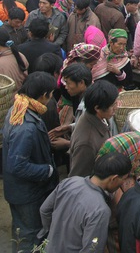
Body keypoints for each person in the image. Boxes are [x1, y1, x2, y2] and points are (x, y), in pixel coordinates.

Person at [2, 72, 58, 252]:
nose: (51, 98)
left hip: (19, 190)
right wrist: (47, 170)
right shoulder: (26, 127)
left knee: (22, 230)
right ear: (44, 95)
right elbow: (17, 165)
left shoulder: (19, 107)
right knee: (30, 234)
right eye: (51, 94)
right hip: (27, 193)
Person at [39, 152, 132, 253]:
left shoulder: (69, 182)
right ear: (114, 178)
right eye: (124, 179)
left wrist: (55, 232)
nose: (123, 183)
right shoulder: (100, 210)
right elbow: (92, 249)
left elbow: (44, 210)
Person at [68, 80, 119, 177]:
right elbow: (78, 176)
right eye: (113, 105)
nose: (116, 107)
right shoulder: (87, 143)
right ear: (97, 108)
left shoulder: (97, 117)